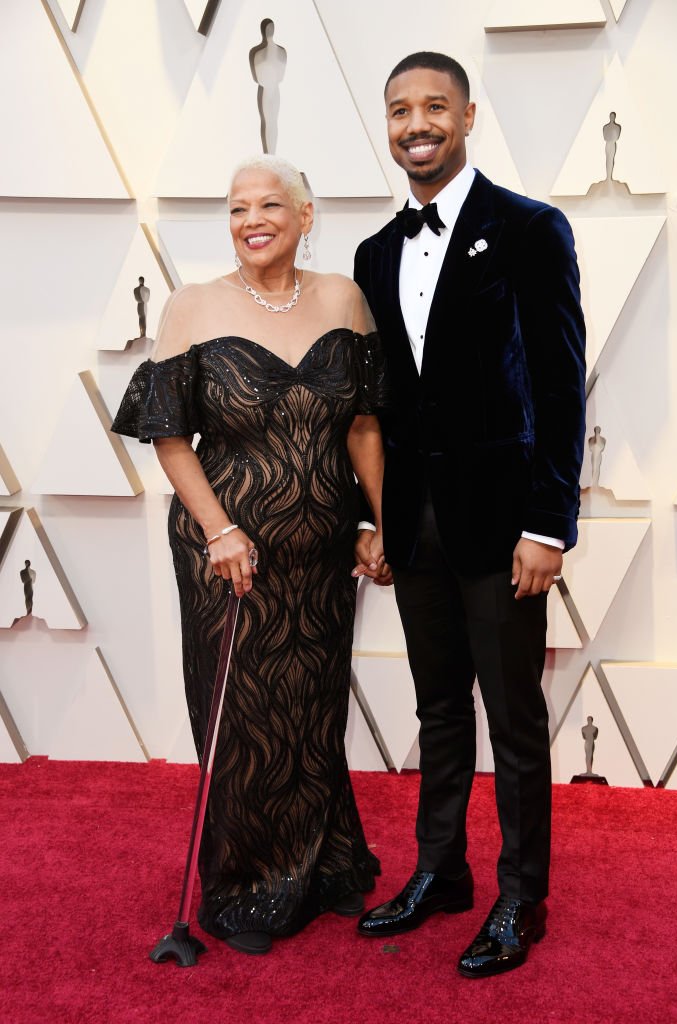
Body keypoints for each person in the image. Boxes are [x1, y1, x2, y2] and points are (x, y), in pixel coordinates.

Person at [112, 154, 385, 956]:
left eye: (270, 205)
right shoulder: (192, 306)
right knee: (241, 717)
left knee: (313, 706)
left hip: (324, 549)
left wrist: (379, 522)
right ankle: (245, 880)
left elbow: (364, 424)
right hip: (226, 547)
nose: (251, 220)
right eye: (236, 209)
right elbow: (167, 435)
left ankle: (323, 864)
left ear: (306, 216)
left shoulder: (343, 297)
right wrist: (220, 530)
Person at [353, 52, 586, 978]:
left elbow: (562, 385)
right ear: (388, 125)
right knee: (439, 710)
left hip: (502, 526)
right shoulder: (375, 252)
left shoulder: (529, 229)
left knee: (514, 716)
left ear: (467, 115)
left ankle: (521, 897)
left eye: (434, 107)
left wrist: (548, 524)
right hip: (413, 526)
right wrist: (372, 521)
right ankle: (440, 872)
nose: (417, 123)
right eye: (401, 109)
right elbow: (374, 408)